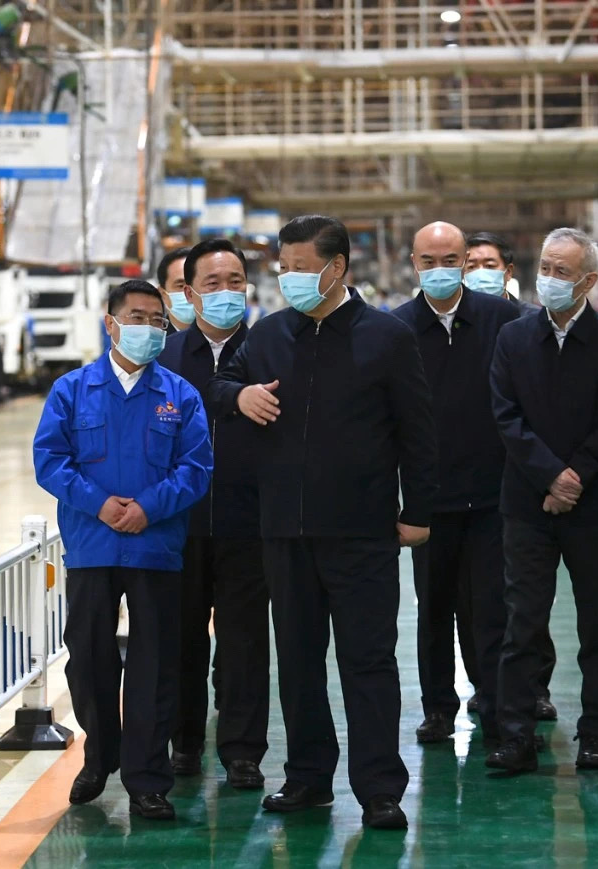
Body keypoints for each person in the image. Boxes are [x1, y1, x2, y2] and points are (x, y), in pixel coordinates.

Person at [208, 215, 438, 830]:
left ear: (336, 269)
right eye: (283, 267)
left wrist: (417, 513)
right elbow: (216, 385)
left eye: (302, 267)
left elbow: (418, 431)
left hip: (361, 532)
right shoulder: (267, 337)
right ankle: (308, 777)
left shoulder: (386, 337)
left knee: (369, 662)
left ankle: (380, 787)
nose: (289, 278)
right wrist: (238, 397)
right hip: (284, 531)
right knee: (299, 661)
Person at [33, 279, 213, 820]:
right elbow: (50, 459)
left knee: (155, 667)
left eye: (158, 321)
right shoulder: (72, 390)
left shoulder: (180, 396)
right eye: (137, 318)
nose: (149, 329)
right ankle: (101, 753)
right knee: (88, 659)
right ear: (110, 324)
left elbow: (196, 468)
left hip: (156, 547)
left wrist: (149, 508)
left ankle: (147, 778)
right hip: (93, 545)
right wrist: (98, 503)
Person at [487, 227, 598, 774]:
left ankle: (596, 732)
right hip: (527, 505)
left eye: (562, 271)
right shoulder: (513, 338)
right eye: (545, 267)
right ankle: (516, 734)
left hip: (594, 506)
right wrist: (551, 477)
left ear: (589, 282)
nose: (548, 279)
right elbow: (506, 417)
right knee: (522, 622)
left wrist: (574, 476)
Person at [391, 222, 522, 747]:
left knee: (492, 608)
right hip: (429, 498)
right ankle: (438, 708)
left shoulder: (502, 320)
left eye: (451, 259)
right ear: (414, 264)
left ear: (466, 260)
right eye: (429, 260)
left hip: (494, 495)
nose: (440, 270)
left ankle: (493, 703)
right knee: (432, 608)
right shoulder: (397, 329)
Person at [158, 238, 270, 790]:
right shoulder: (167, 358)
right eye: (212, 283)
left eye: (235, 282)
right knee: (180, 637)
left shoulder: (273, 349)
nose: (226, 293)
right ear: (188, 292)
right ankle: (184, 741)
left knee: (245, 640)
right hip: (180, 524)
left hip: (250, 523)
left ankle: (244, 749)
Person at [463, 231, 560, 722]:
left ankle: (534, 685)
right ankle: (486, 684)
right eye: (470, 262)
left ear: (508, 271)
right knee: (478, 599)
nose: (478, 270)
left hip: (523, 477)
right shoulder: (456, 324)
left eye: (488, 262)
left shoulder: (529, 324)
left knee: (523, 594)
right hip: (471, 479)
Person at [156, 246, 195, 333]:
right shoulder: (154, 342)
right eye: (181, 286)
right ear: (163, 294)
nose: (189, 292)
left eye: (195, 284)